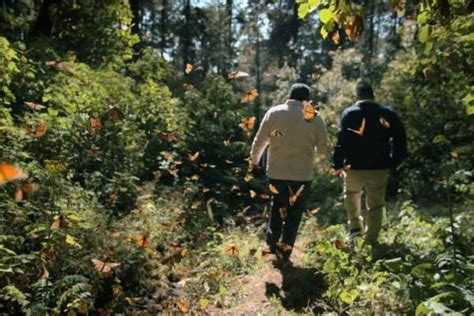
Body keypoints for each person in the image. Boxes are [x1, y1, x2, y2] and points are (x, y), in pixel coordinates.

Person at [249, 83, 329, 262]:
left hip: (277, 173)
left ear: (289, 96)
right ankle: (285, 252)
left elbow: (259, 141)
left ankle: (272, 244)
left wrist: (254, 162)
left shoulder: (274, 113)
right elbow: (324, 149)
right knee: (294, 214)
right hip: (302, 175)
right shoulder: (315, 117)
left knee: (277, 208)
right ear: (306, 100)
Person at [332, 80, 407, 246]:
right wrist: (393, 161)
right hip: (379, 166)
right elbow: (400, 139)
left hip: (353, 166)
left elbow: (341, 140)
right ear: (373, 95)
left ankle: (355, 231)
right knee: (376, 205)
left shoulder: (349, 113)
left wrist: (337, 163)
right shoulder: (387, 114)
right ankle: (371, 240)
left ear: (356, 96)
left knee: (351, 195)